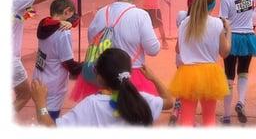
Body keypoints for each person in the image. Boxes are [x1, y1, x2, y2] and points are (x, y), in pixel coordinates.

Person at [71, 0, 160, 101]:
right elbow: (153, 50)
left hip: (103, 75)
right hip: (132, 75)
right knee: (132, 116)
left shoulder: (101, 12)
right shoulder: (141, 15)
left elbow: (92, 39)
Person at [31, 48, 173, 126]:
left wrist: (41, 103)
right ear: (128, 73)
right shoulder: (142, 100)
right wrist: (153, 78)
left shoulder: (92, 104)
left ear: (99, 77)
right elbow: (168, 101)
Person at [12, 0, 68, 113]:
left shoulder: (16, 3)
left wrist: (28, 13)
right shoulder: (15, 0)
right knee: (24, 94)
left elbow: (24, 17)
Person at [168, 0, 232, 126]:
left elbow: (178, 49)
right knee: (209, 119)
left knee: (186, 119)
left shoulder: (185, 22)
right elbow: (224, 52)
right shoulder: (217, 23)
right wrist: (229, 31)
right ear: (213, 5)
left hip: (187, 73)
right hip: (210, 74)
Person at [219, 0, 256, 124]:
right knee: (243, 72)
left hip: (232, 37)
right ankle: (241, 102)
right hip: (248, 37)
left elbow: (223, 21)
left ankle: (226, 116)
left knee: (229, 76)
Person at [33, 0, 82, 121]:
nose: (72, 17)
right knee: (50, 121)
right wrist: (84, 66)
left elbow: (76, 17)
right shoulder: (63, 32)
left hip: (39, 79)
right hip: (53, 84)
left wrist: (70, 21)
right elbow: (68, 63)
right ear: (66, 12)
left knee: (41, 115)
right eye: (70, 15)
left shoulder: (44, 25)